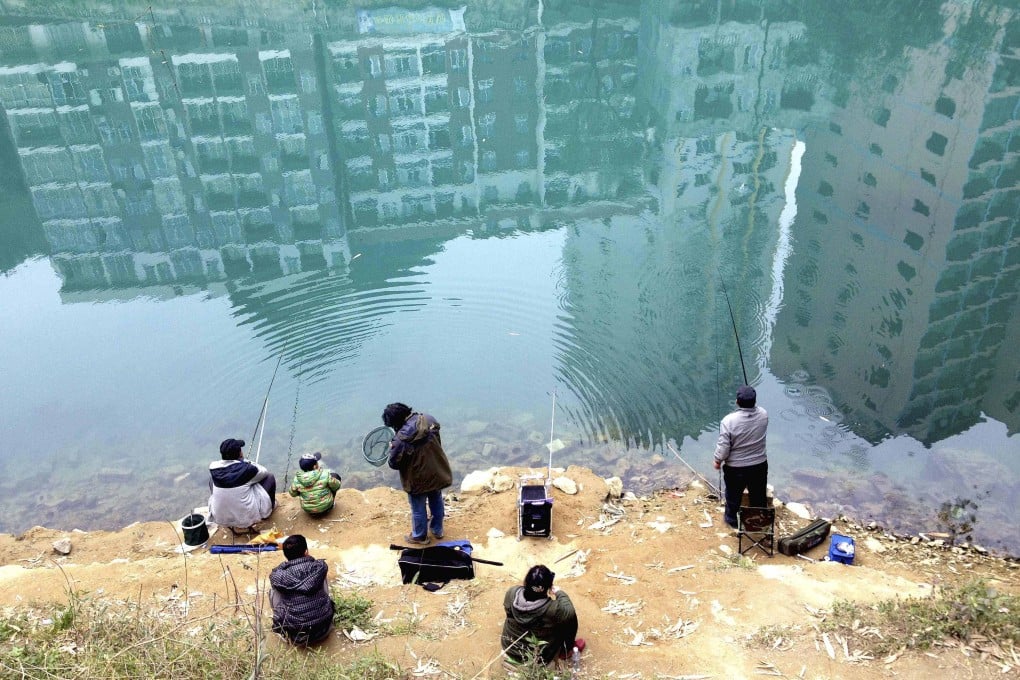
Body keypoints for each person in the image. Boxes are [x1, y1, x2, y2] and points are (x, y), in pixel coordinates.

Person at [383, 402, 452, 545]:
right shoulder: (429, 419)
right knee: (436, 499)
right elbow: (437, 441)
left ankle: (420, 536)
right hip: (436, 470)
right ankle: (438, 530)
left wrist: (392, 448)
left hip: (416, 479)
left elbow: (393, 464)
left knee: (418, 508)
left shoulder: (400, 440)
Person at [501, 565, 585, 666]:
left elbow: (509, 615)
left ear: (525, 582)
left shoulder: (511, 593)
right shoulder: (553, 610)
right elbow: (569, 611)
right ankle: (566, 650)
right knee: (569, 620)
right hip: (538, 657)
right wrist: (559, 592)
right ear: (549, 587)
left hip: (509, 648)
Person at [713, 384, 769, 529]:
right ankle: (758, 521)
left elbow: (724, 447)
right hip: (759, 465)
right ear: (755, 401)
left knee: (733, 496)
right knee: (758, 495)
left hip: (736, 469)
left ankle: (732, 522)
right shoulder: (764, 414)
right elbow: (756, 412)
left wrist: (718, 460)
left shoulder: (728, 421)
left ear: (737, 402)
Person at [268, 534, 335, 645]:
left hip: (296, 636)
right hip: (325, 629)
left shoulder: (278, 575)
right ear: (306, 551)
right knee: (321, 579)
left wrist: (285, 564)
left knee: (273, 590)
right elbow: (316, 563)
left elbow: (275, 572)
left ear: (285, 555)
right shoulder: (320, 566)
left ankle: (284, 629)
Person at [208, 438, 277, 531]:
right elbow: (264, 472)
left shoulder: (213, 468)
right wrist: (246, 462)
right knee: (270, 477)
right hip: (246, 519)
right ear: (240, 453)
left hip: (220, 518)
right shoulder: (247, 469)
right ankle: (270, 509)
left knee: (212, 480)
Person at [288, 452, 342, 516]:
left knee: (299, 489)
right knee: (335, 477)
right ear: (314, 466)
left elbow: (292, 494)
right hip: (326, 508)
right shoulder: (325, 474)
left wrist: (303, 490)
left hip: (309, 511)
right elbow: (337, 486)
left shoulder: (297, 479)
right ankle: (331, 504)